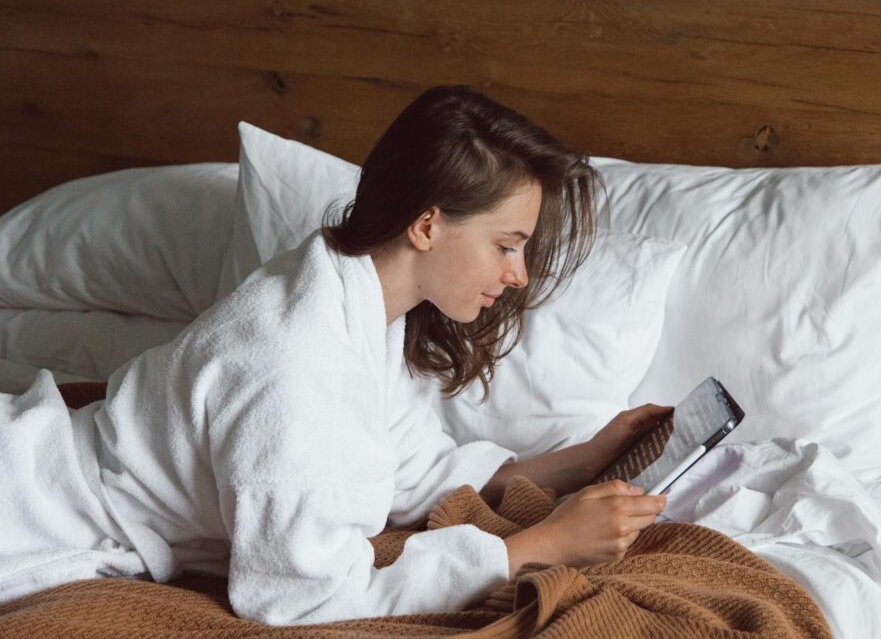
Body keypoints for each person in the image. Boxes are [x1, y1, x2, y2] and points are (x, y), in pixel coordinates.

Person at [0, 86, 669, 625]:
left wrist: (582, 460)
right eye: (506, 244)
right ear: (429, 224)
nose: (519, 273)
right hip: (25, 511)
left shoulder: (355, 294)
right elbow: (301, 598)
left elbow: (408, 467)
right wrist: (538, 546)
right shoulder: (295, 366)